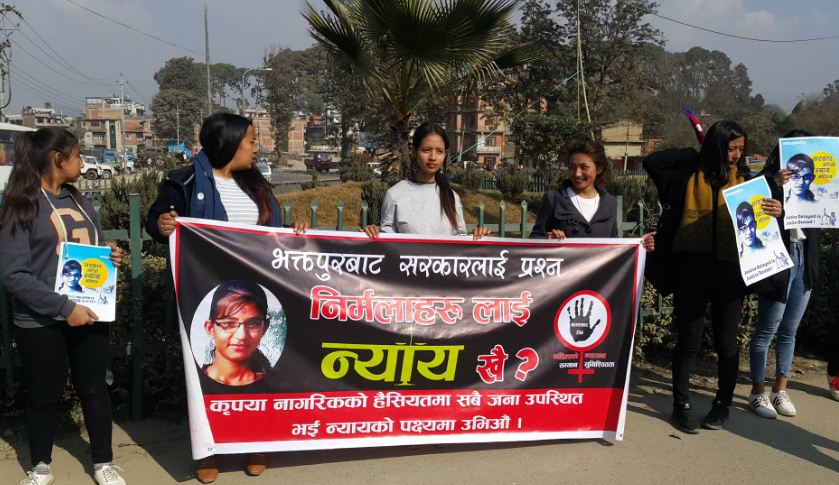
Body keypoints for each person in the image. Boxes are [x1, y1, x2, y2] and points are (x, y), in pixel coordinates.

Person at [146, 112, 305, 483]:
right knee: (207, 373)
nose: (255, 148)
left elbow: (269, 234)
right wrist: (162, 225)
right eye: (250, 141)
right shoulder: (183, 181)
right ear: (229, 142)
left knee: (257, 370)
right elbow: (156, 221)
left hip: (256, 294)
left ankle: (255, 443)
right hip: (207, 295)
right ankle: (209, 450)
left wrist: (293, 231)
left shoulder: (256, 184)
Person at [0, 127, 127, 485]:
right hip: (40, 320)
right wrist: (63, 308)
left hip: (89, 312)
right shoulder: (19, 206)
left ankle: (103, 462)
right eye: (77, 155)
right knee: (43, 395)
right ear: (57, 159)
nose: (82, 163)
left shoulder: (80, 201)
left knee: (94, 389)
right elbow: (14, 274)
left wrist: (108, 255)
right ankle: (41, 465)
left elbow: (91, 249)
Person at [643, 120, 783, 434]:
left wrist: (778, 211)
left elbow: (768, 220)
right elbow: (653, 162)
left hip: (730, 272)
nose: (736, 155)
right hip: (690, 269)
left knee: (726, 342)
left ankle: (722, 405)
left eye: (740, 149)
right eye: (730, 149)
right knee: (688, 339)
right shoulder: (686, 176)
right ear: (715, 146)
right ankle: (681, 405)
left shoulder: (748, 181)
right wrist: (698, 154)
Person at [747, 131, 821, 419]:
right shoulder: (768, 181)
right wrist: (773, 186)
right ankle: (757, 391)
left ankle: (781, 389)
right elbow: (748, 201)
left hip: (805, 258)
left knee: (789, 330)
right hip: (779, 258)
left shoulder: (816, 188)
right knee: (767, 329)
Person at [363, 122, 490, 240]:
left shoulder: (452, 197)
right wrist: (373, 234)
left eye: (439, 151)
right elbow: (387, 243)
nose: (433, 157)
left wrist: (476, 238)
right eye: (426, 150)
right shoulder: (394, 195)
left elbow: (460, 242)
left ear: (445, 154)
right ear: (414, 151)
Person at [530, 140, 618, 239]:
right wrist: (549, 239)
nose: (577, 173)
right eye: (572, 167)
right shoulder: (553, 199)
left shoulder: (610, 202)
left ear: (599, 168)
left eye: (584, 167)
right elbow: (536, 237)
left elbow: (615, 243)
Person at [203, 280, 272, 387]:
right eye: (229, 323)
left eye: (253, 324)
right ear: (210, 328)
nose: (242, 336)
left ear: (264, 328)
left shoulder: (275, 386)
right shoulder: (194, 380)